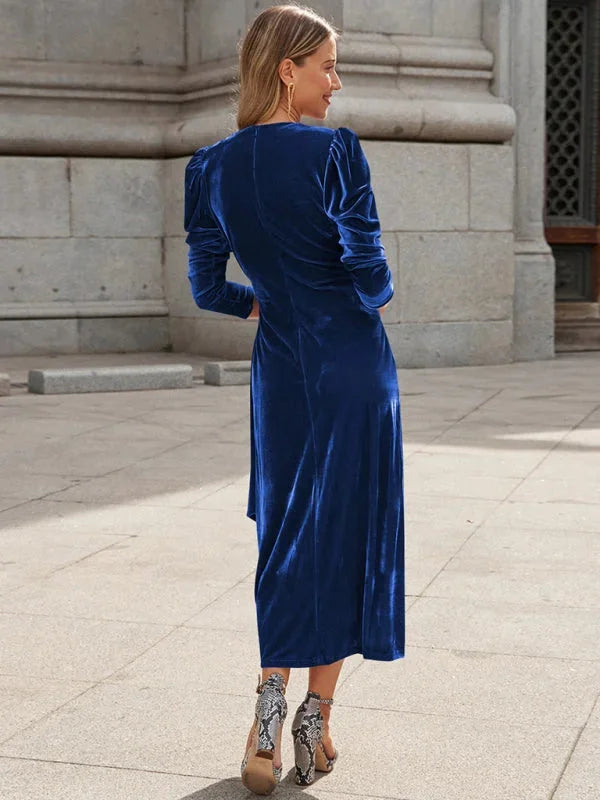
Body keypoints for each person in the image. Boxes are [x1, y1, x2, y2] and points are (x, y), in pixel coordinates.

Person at [183, 3, 405, 795]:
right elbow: (368, 269)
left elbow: (209, 287)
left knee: (284, 533)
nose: (336, 83)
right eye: (328, 66)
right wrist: (372, 291)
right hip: (351, 363)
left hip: (279, 369)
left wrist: (265, 303)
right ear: (288, 69)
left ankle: (265, 716)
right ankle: (318, 717)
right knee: (346, 532)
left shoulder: (208, 166)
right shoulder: (335, 151)